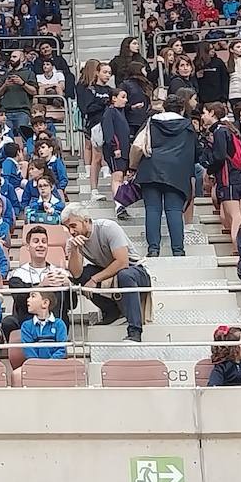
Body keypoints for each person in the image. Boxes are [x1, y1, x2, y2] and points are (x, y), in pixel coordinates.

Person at [61, 204, 151, 342]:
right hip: (109, 270)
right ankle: (111, 312)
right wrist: (75, 250)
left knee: (124, 275)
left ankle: (135, 331)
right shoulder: (73, 241)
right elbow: (76, 273)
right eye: (68, 228)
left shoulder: (108, 228)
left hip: (135, 270)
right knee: (82, 277)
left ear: (86, 221)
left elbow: (122, 262)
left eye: (73, 226)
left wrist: (95, 279)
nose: (71, 231)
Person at [127, 92, 197, 258]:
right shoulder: (187, 126)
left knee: (152, 209)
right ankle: (178, 250)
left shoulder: (151, 122)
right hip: (177, 171)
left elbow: (138, 144)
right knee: (174, 210)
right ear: (181, 109)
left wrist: (132, 167)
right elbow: (195, 151)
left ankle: (153, 249)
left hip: (151, 167)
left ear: (164, 107)